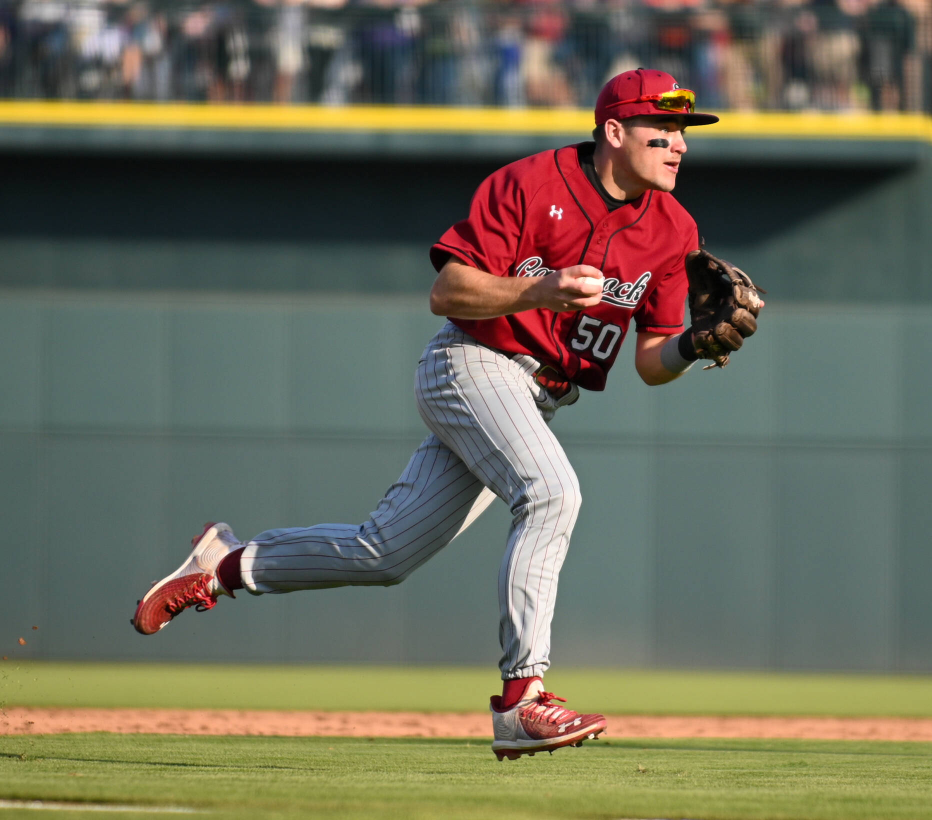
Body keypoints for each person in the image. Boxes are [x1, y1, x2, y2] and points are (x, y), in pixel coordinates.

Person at [130, 69, 748, 761]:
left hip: (539, 400)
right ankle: (522, 701)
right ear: (613, 131)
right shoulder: (530, 183)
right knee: (552, 493)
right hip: (470, 365)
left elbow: (650, 361)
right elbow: (447, 290)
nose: (678, 147)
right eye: (661, 132)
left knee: (385, 551)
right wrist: (540, 289)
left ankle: (224, 564)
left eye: (683, 135)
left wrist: (694, 345)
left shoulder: (673, 227)